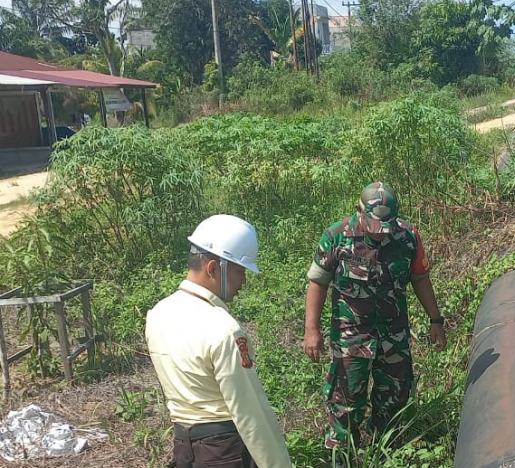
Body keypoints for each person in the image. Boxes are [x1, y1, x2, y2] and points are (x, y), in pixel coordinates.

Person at [303, 182, 447, 457]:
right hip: (351, 334)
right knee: (346, 400)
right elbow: (317, 283)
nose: (380, 234)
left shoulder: (408, 237)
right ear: (359, 211)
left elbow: (420, 278)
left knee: (394, 395)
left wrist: (435, 320)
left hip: (393, 333)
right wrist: (312, 330)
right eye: (374, 225)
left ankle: (386, 452)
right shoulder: (336, 236)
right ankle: (343, 457)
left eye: (386, 226)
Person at [146, 214, 292, 468]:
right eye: (239, 271)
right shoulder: (224, 329)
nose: (244, 282)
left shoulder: (158, 313)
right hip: (225, 451)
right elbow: (249, 412)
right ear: (213, 268)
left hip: (185, 448)